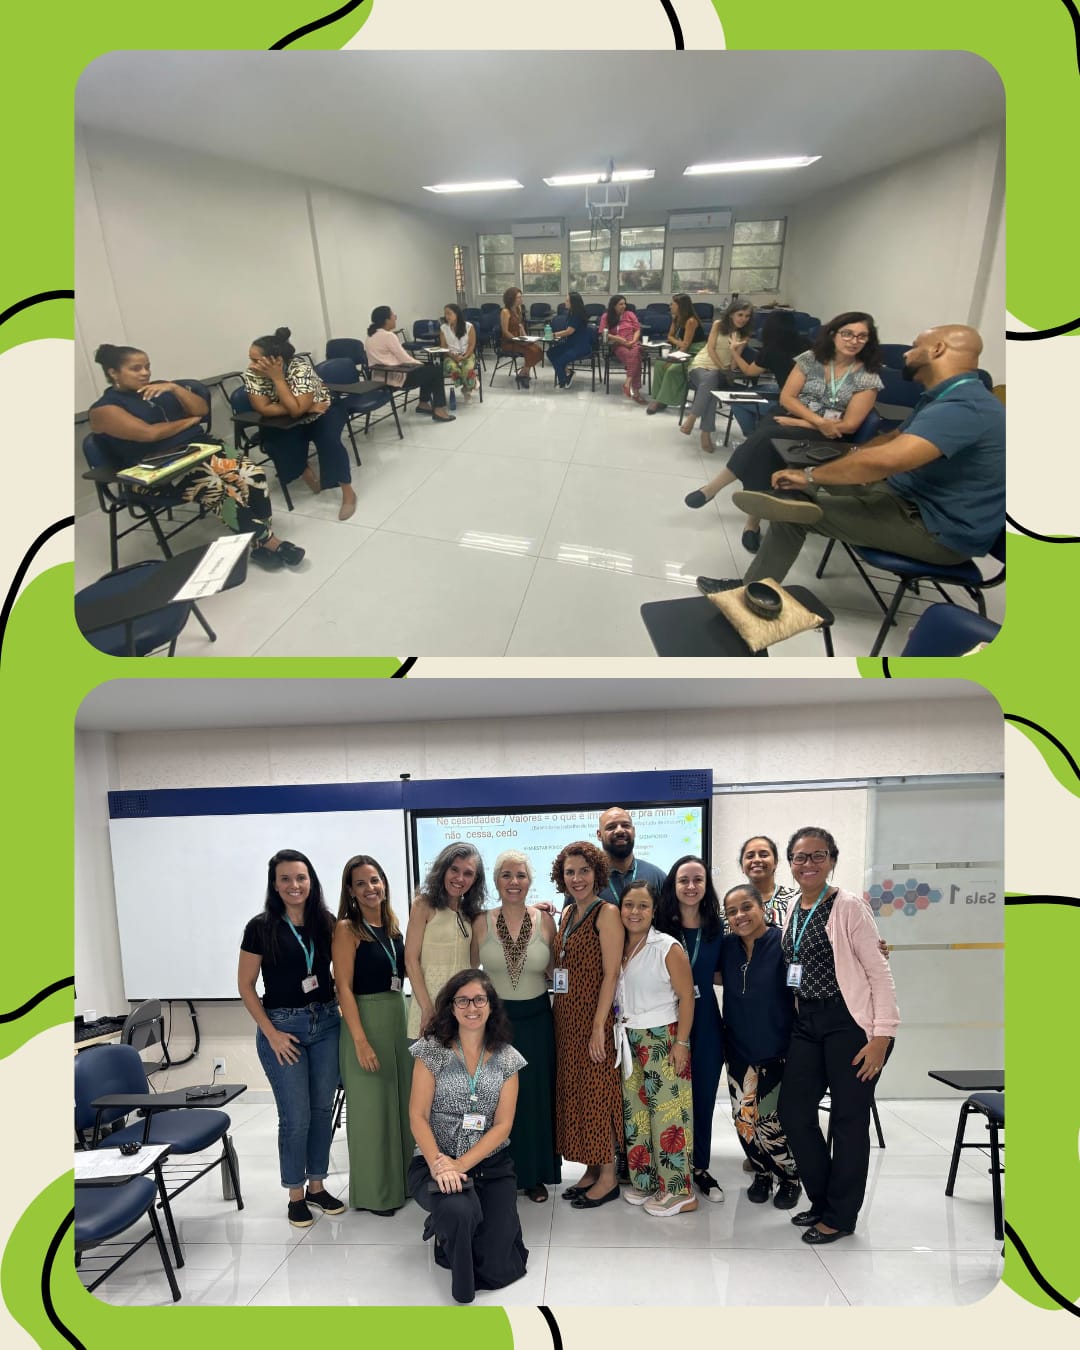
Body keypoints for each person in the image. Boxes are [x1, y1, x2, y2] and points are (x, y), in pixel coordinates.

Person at [699, 324, 1006, 595]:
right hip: (906, 497)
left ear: (937, 350)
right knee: (799, 483)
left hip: (936, 530)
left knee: (792, 512)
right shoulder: (943, 397)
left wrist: (811, 475)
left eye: (915, 346)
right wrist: (852, 457)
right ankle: (783, 499)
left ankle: (748, 596)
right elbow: (894, 438)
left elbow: (888, 460)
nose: (906, 354)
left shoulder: (964, 407)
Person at [778, 827, 900, 1245]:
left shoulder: (848, 906)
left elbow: (879, 973)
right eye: (800, 857)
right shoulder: (793, 907)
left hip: (850, 1024)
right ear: (790, 863)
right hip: (807, 1024)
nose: (808, 863)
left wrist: (882, 1037)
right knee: (794, 1112)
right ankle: (822, 1199)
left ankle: (841, 1216)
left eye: (818, 855)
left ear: (831, 859)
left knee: (848, 1121)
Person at [88, 343, 305, 572]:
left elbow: (201, 410)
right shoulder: (104, 410)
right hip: (157, 471)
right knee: (216, 488)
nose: (145, 373)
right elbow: (150, 434)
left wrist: (174, 388)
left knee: (253, 473)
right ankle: (272, 543)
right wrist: (188, 422)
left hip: (198, 451)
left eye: (147, 367)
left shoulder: (158, 389)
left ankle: (259, 544)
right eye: (136, 369)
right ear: (114, 373)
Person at [685, 311, 884, 555]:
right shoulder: (811, 358)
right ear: (833, 334)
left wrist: (807, 424)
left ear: (869, 340)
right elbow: (787, 398)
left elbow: (850, 425)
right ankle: (752, 522)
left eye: (862, 336)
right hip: (794, 416)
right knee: (766, 441)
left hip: (828, 434)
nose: (854, 341)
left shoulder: (867, 376)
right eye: (847, 334)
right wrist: (813, 420)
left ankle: (713, 490)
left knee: (766, 437)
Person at [238, 849, 345, 1227]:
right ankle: (295, 1194)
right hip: (283, 1029)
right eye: (285, 878)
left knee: (322, 1112)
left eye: (301, 877)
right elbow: (246, 985)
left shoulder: (326, 922)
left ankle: (317, 1186)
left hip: (327, 1024)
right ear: (274, 884)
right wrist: (272, 1034)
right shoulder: (260, 927)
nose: (294, 885)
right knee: (296, 1117)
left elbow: (341, 972)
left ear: (311, 881)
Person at [408, 969, 528, 1304]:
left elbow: (503, 1126)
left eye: (479, 1000)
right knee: (459, 1212)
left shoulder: (507, 1058)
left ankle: (445, 1227)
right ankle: (460, 1283)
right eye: (462, 1000)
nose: (471, 1007)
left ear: (491, 1006)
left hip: (490, 1165)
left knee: (498, 1265)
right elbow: (417, 1116)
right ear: (451, 1006)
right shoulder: (431, 1051)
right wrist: (440, 1165)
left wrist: (460, 1164)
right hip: (436, 1161)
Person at [471, 849, 561, 1202]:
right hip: (496, 1022)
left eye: (520, 875)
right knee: (495, 1100)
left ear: (529, 881)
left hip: (538, 1021)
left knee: (534, 1097)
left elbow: (558, 972)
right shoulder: (481, 922)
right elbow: (469, 975)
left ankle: (534, 1175)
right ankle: (497, 1173)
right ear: (496, 881)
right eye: (506, 875)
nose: (514, 881)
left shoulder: (544, 921)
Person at [332, 854, 412, 1215]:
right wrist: (361, 1043)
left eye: (375, 880)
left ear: (384, 883)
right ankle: (375, 1193)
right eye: (361, 883)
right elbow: (343, 989)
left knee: (400, 1106)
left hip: (397, 1018)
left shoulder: (393, 927)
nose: (370, 888)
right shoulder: (347, 929)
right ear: (350, 890)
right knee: (372, 1113)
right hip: (365, 1022)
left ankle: (403, 1183)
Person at [615, 880, 697, 1215]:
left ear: (654, 910)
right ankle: (647, 1181)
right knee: (636, 1114)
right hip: (629, 1038)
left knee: (668, 1115)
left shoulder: (667, 947)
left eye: (643, 906)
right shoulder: (620, 946)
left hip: (663, 1038)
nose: (634, 912)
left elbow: (687, 997)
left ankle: (679, 1191)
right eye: (629, 905)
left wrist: (681, 1043)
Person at [550, 841, 625, 1208]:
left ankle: (609, 1176)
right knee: (580, 1094)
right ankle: (592, 1168)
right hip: (566, 1018)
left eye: (584, 871)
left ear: (597, 873)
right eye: (570, 872)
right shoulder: (567, 914)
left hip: (595, 1018)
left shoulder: (606, 913)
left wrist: (598, 1026)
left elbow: (611, 973)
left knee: (599, 1094)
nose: (576, 878)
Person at [718, 883, 801, 1209]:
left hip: (777, 1051)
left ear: (762, 908)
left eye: (746, 907)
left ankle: (790, 1177)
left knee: (771, 1124)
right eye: (732, 912)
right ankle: (763, 1173)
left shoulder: (783, 943)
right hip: (738, 1050)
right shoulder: (727, 947)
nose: (740, 916)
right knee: (744, 1122)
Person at [655, 856, 725, 1203]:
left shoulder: (717, 929)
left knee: (703, 1097)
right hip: (668, 1019)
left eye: (698, 879)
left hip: (707, 1021)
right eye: (684, 880)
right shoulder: (659, 927)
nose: (691, 886)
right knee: (668, 1098)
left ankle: (700, 1167)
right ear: (673, 885)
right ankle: (669, 1166)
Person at [242, 327, 357, 522]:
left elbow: (295, 410)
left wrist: (278, 380)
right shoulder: (252, 374)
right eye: (250, 359)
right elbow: (263, 408)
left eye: (256, 360)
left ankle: (348, 492)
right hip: (294, 416)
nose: (251, 365)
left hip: (324, 410)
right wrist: (303, 406)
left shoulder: (299, 368)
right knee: (274, 442)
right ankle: (306, 473)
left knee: (328, 441)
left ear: (276, 360)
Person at [404, 843, 486, 1039]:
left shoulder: (471, 914)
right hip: (429, 1007)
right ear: (442, 869)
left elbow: (472, 964)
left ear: (475, 879)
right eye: (454, 870)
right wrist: (427, 1008)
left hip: (463, 1008)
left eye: (468, 873)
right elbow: (410, 960)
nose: (460, 878)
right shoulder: (423, 905)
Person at [679, 301, 755, 451]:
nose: (743, 319)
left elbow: (733, 364)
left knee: (711, 380)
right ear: (731, 314)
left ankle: (692, 417)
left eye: (747, 316)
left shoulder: (744, 335)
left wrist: (734, 349)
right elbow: (711, 349)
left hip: (721, 372)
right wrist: (720, 367)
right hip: (701, 365)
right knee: (711, 387)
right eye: (740, 315)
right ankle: (705, 433)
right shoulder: (718, 325)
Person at [724, 310, 809, 439]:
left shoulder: (771, 350)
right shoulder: (807, 343)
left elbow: (749, 372)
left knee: (737, 402)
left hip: (789, 401)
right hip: (811, 397)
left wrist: (734, 351)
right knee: (759, 389)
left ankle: (753, 437)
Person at [365, 306, 456, 422]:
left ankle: (423, 404)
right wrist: (420, 364)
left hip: (378, 378)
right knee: (435, 370)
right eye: (393, 316)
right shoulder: (388, 336)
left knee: (428, 369)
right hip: (395, 378)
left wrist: (421, 365)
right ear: (386, 320)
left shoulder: (370, 336)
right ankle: (439, 410)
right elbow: (404, 358)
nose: (395, 318)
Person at [645, 294, 705, 414]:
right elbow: (670, 337)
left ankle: (662, 400)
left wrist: (673, 360)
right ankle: (658, 398)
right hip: (682, 350)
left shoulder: (691, 321)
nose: (670, 306)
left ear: (681, 306)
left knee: (672, 369)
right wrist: (678, 343)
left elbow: (686, 346)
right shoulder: (677, 318)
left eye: (673, 304)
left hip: (694, 354)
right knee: (659, 364)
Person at [595, 806, 667, 904]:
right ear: (599, 835)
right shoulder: (589, 879)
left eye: (625, 825)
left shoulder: (657, 877)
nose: (620, 830)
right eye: (611, 827)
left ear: (633, 831)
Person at [738, 835, 799, 929]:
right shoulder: (731, 906)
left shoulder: (796, 899)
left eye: (764, 855)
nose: (757, 860)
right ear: (742, 866)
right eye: (750, 856)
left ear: (775, 862)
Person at [598, 294, 645, 402]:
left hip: (633, 342)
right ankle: (636, 392)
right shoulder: (606, 316)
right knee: (635, 358)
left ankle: (628, 383)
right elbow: (602, 332)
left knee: (635, 354)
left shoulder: (630, 314)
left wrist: (633, 341)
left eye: (624, 304)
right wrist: (619, 339)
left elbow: (637, 330)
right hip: (618, 344)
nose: (624, 306)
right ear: (614, 305)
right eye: (621, 304)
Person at [547, 291, 594, 389]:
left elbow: (569, 331)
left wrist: (554, 335)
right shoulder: (571, 313)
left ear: (574, 303)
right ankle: (568, 373)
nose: (565, 302)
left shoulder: (577, 315)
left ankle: (563, 381)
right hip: (571, 343)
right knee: (551, 352)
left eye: (567, 301)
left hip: (580, 347)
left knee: (558, 361)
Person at [500, 286, 544, 388]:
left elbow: (520, 325)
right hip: (509, 341)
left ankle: (522, 373)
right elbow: (505, 331)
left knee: (538, 349)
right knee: (531, 351)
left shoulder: (518, 308)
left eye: (521, 297)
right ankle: (524, 375)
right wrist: (517, 340)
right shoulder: (505, 312)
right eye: (518, 297)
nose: (521, 299)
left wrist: (526, 338)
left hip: (519, 339)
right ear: (511, 299)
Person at [440, 303, 478, 400]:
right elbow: (443, 346)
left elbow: (471, 345)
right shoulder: (443, 328)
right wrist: (453, 356)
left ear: (457, 314)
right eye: (445, 314)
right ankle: (471, 383)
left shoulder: (469, 326)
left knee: (467, 369)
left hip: (467, 354)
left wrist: (465, 356)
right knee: (454, 369)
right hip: (450, 356)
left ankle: (466, 389)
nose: (447, 316)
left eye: (449, 313)